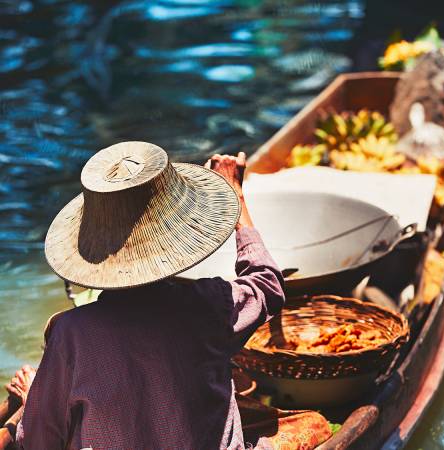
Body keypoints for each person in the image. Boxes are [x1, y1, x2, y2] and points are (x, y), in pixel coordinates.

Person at [7, 142, 285, 450]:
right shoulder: (208, 304)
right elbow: (268, 284)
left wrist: (34, 396)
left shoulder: (71, 335)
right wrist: (236, 195)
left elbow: (37, 442)